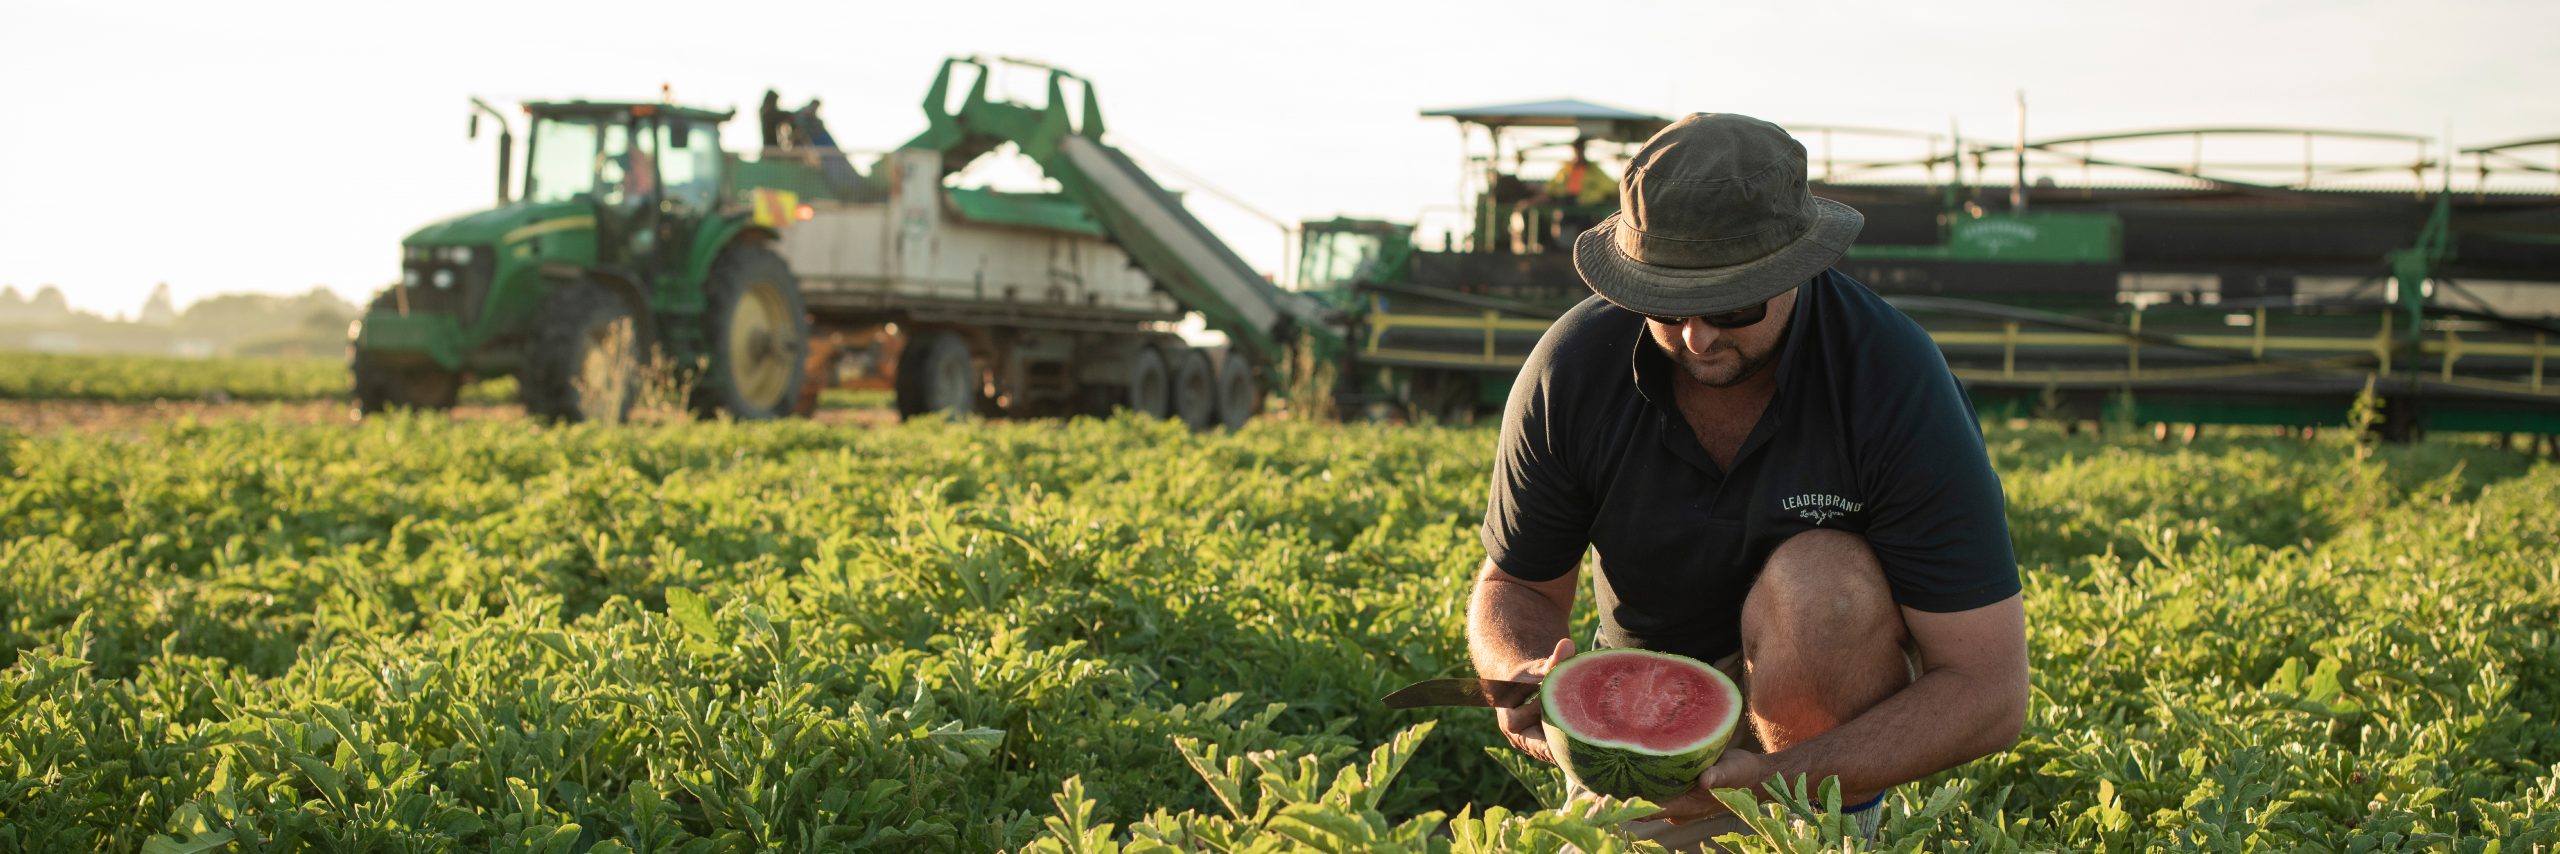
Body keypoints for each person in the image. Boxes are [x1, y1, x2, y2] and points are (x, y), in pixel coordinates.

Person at [1469, 113, 2027, 849]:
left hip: (1821, 740)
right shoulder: (1573, 368)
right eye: (1667, 303)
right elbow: (1514, 587)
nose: (1698, 337)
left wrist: (1779, 779)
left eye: (1732, 304)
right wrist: (1519, 668)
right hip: (1643, 718)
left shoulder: (1891, 377)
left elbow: (1989, 691)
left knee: (1823, 579)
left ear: (1797, 265)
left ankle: (1833, 834)